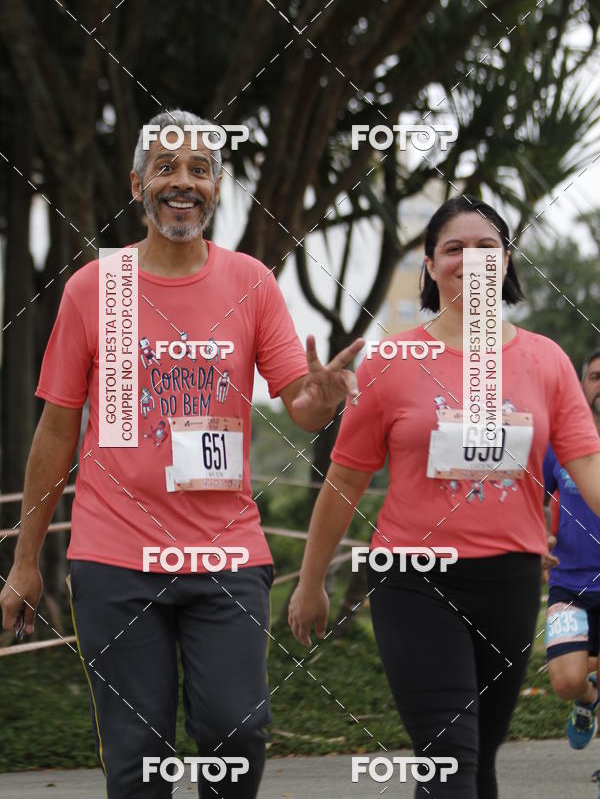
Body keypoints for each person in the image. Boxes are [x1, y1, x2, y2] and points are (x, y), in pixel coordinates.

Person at [0, 109, 362, 799]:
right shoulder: (98, 289)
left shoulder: (250, 283)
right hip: (114, 557)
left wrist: (326, 394)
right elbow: (56, 430)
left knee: (237, 731)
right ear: (138, 186)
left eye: (199, 169)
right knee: (138, 759)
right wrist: (24, 563)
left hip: (225, 553)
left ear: (217, 188)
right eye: (166, 168)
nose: (183, 182)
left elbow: (300, 404)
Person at [288, 196, 600, 798]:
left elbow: (585, 463)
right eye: (453, 248)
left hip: (509, 580)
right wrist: (310, 581)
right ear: (431, 267)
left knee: (477, 764)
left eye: (487, 247)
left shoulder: (545, 361)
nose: (470, 259)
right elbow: (346, 480)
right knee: (449, 763)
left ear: (507, 263)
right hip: (412, 578)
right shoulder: (394, 361)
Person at [544, 348, 600, 750]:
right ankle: (586, 699)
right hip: (568, 585)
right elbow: (529, 496)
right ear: (582, 385)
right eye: (596, 376)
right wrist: (534, 539)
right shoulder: (559, 442)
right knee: (566, 680)